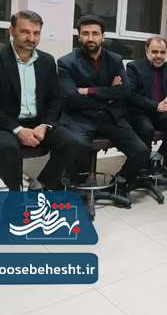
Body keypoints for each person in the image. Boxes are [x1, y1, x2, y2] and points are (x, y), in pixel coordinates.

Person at [0, 10, 84, 191]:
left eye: (36, 33)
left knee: (71, 142)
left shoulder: (46, 61)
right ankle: (16, 191)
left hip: (38, 123)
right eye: (25, 32)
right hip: (3, 125)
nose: (31, 38)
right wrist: (18, 130)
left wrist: (45, 125)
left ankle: (40, 186)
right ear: (12, 31)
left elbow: (55, 98)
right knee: (5, 148)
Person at [58, 15, 150, 198]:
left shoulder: (115, 59)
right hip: (79, 118)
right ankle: (75, 186)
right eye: (85, 33)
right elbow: (71, 99)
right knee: (77, 149)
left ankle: (120, 183)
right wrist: (108, 94)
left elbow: (124, 91)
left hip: (110, 117)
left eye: (95, 33)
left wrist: (88, 91)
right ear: (79, 36)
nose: (90, 38)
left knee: (141, 151)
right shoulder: (66, 62)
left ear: (103, 36)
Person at [126, 36, 167, 179]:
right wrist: (156, 105)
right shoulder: (133, 67)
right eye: (154, 52)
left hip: (161, 113)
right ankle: (140, 168)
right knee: (146, 129)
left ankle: (157, 158)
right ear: (147, 51)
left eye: (162, 52)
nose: (159, 56)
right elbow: (131, 95)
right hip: (140, 112)